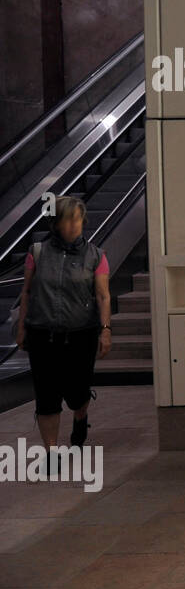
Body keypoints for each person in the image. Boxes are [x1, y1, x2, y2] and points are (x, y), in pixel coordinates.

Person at [15, 196, 111, 461]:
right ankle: (51, 453)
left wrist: (105, 329)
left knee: (77, 392)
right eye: (67, 220)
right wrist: (21, 327)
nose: (73, 225)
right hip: (42, 333)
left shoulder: (96, 255)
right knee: (46, 394)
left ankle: (80, 417)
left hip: (81, 333)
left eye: (77, 219)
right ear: (56, 224)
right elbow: (26, 292)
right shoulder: (37, 252)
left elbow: (103, 296)